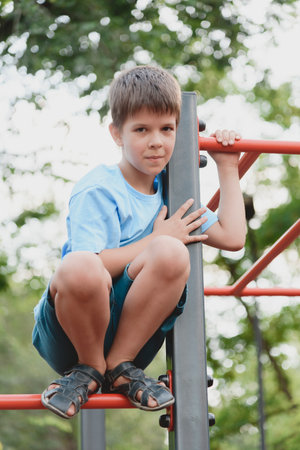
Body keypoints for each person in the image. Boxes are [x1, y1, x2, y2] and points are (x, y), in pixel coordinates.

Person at [32, 65, 246, 419]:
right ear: (117, 133)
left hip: (131, 341)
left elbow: (233, 236)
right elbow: (88, 267)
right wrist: (154, 237)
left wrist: (227, 166)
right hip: (70, 334)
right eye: (141, 129)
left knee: (172, 253)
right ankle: (88, 368)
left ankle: (117, 367)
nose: (156, 141)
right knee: (82, 263)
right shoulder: (99, 188)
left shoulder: (173, 189)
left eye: (167, 129)